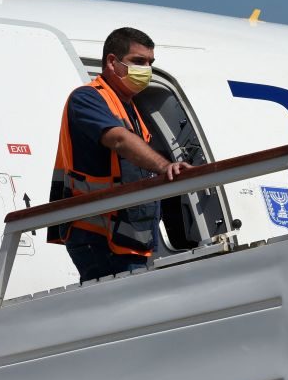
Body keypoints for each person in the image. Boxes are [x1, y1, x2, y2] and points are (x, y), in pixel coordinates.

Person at [49, 27, 192, 281]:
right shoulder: (87, 98)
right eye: (138, 61)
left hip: (130, 239)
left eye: (150, 63)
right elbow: (119, 139)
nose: (146, 70)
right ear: (112, 62)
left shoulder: (131, 109)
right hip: (98, 237)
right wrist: (164, 166)